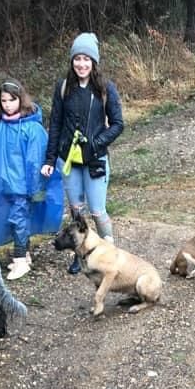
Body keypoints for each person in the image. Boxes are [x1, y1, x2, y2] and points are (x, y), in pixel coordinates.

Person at [41, 32, 124, 274]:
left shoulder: (106, 88)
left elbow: (118, 124)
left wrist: (95, 144)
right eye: (77, 58)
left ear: (94, 61)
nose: (81, 64)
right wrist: (49, 159)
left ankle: (110, 253)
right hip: (69, 160)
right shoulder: (64, 87)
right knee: (77, 211)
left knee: (97, 210)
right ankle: (80, 254)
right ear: (72, 61)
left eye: (86, 59)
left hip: (95, 159)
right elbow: (55, 124)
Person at [0, 78, 63, 279]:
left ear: (20, 100)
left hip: (22, 187)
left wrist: (35, 188)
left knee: (19, 220)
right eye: (4, 100)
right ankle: (24, 255)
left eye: (12, 100)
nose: (7, 105)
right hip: (2, 185)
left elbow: (36, 159)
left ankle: (20, 260)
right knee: (8, 220)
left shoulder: (31, 128)